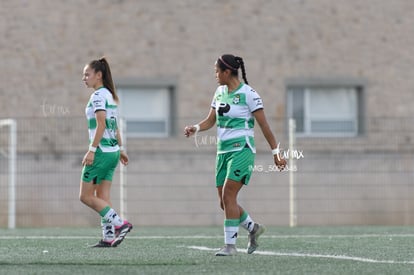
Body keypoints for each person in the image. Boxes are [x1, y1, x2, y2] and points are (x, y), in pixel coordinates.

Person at [184, 54, 286, 256]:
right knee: (224, 202)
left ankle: (230, 246)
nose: (215, 75)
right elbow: (210, 120)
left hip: (243, 150)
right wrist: (195, 128)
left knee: (228, 195)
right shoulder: (219, 92)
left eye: (216, 71)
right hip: (223, 152)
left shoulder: (249, 94)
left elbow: (264, 125)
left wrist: (276, 152)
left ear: (227, 72)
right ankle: (253, 228)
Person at [79, 57, 132, 248]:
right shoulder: (110, 95)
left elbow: (102, 124)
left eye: (87, 74)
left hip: (101, 152)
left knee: (85, 196)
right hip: (113, 152)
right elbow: (114, 126)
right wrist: (121, 149)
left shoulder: (98, 96)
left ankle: (120, 224)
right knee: (102, 195)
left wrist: (91, 151)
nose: (84, 78)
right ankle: (109, 237)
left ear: (99, 75)